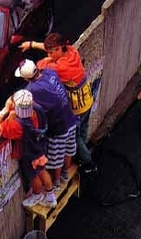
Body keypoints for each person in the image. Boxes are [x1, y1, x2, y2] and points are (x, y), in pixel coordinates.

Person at [19, 33, 97, 174]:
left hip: (77, 107)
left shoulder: (59, 68)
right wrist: (32, 44)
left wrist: (39, 63)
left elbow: (41, 67)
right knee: (83, 129)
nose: (49, 54)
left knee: (75, 138)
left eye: (51, 52)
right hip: (87, 98)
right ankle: (82, 154)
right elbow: (50, 50)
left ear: (59, 49)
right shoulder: (72, 51)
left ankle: (88, 162)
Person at [15, 59, 78, 190]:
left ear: (26, 79)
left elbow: (25, 103)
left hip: (58, 128)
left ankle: (56, 183)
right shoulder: (50, 73)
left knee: (56, 158)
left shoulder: (32, 89)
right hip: (71, 117)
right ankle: (65, 175)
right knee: (69, 150)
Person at [0, 89, 57, 208]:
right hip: (40, 147)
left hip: (30, 155)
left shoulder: (18, 126)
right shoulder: (37, 110)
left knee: (33, 176)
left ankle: (37, 194)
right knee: (42, 170)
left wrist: (5, 110)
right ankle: (50, 196)